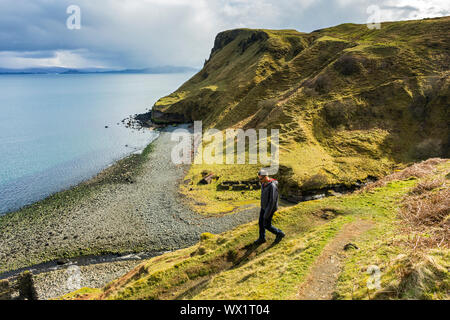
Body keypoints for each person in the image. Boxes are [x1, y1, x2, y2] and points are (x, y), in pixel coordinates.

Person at [253, 169, 285, 245]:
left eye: (261, 179)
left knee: (267, 225)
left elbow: (272, 201)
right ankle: (262, 238)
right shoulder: (263, 184)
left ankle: (280, 233)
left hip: (270, 208)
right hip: (263, 207)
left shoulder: (272, 186)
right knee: (261, 223)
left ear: (265, 177)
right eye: (259, 178)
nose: (260, 180)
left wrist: (267, 213)